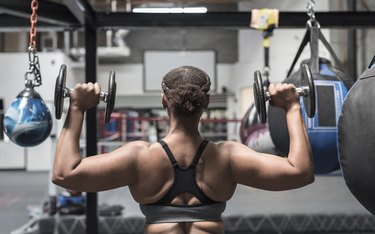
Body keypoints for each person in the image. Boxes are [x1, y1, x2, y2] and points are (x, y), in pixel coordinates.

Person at [53, 66, 314, 234]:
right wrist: (292, 107)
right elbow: (300, 172)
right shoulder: (228, 157)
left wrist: (77, 108)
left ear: (164, 100)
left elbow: (64, 174)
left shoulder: (139, 157)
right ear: (207, 102)